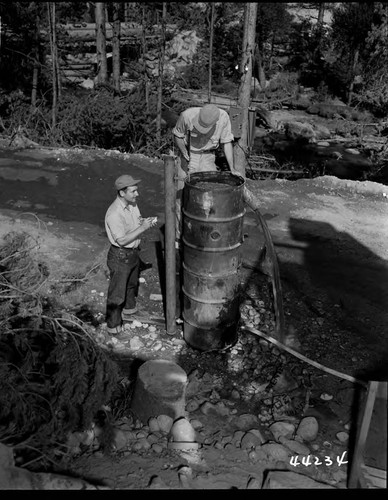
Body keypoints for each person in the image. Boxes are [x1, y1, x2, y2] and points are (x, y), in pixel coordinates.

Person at [172, 103, 243, 243]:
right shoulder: (187, 115)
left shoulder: (223, 118)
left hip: (208, 156)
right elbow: (177, 135)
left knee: (207, 197)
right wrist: (183, 150)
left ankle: (202, 234)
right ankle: (178, 237)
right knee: (181, 196)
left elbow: (226, 143)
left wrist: (232, 168)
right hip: (188, 154)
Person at [104, 174, 157, 335]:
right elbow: (121, 240)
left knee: (131, 285)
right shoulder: (114, 213)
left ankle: (130, 311)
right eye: (133, 191)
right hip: (120, 255)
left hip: (133, 253)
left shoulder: (132, 205)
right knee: (117, 293)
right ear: (122, 193)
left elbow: (136, 221)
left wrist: (144, 222)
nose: (137, 194)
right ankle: (113, 327)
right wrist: (143, 228)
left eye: (136, 190)